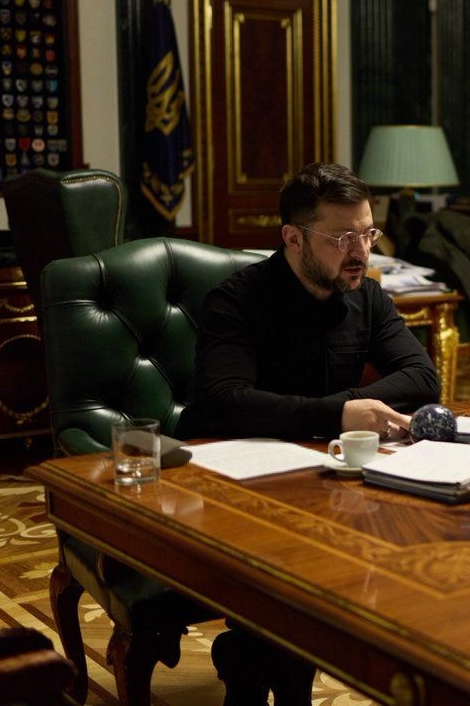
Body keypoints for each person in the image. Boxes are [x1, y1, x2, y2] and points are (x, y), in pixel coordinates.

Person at [176, 162, 441, 705]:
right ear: (293, 238)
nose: (360, 251)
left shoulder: (366, 296)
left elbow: (422, 376)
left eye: (367, 233)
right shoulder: (236, 299)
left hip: (320, 477)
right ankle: (260, 663)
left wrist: (341, 411)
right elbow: (225, 402)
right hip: (228, 483)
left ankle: (258, 664)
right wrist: (340, 413)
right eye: (342, 238)